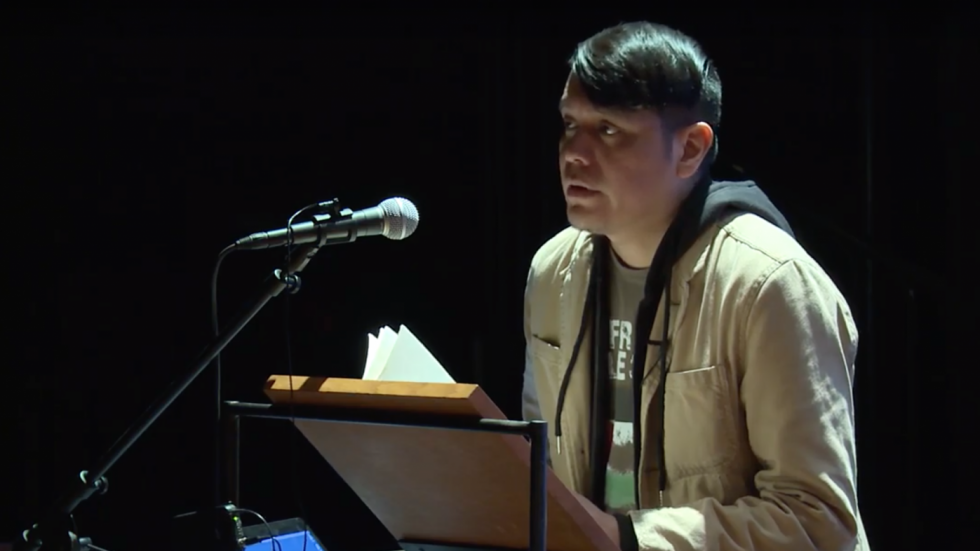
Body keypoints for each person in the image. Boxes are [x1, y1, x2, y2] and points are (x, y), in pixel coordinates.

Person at [521, 21, 869, 551]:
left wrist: (630, 540)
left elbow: (818, 523)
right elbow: (540, 473)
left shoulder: (769, 284)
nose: (575, 152)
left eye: (609, 130)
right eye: (570, 124)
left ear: (690, 149)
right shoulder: (552, 272)